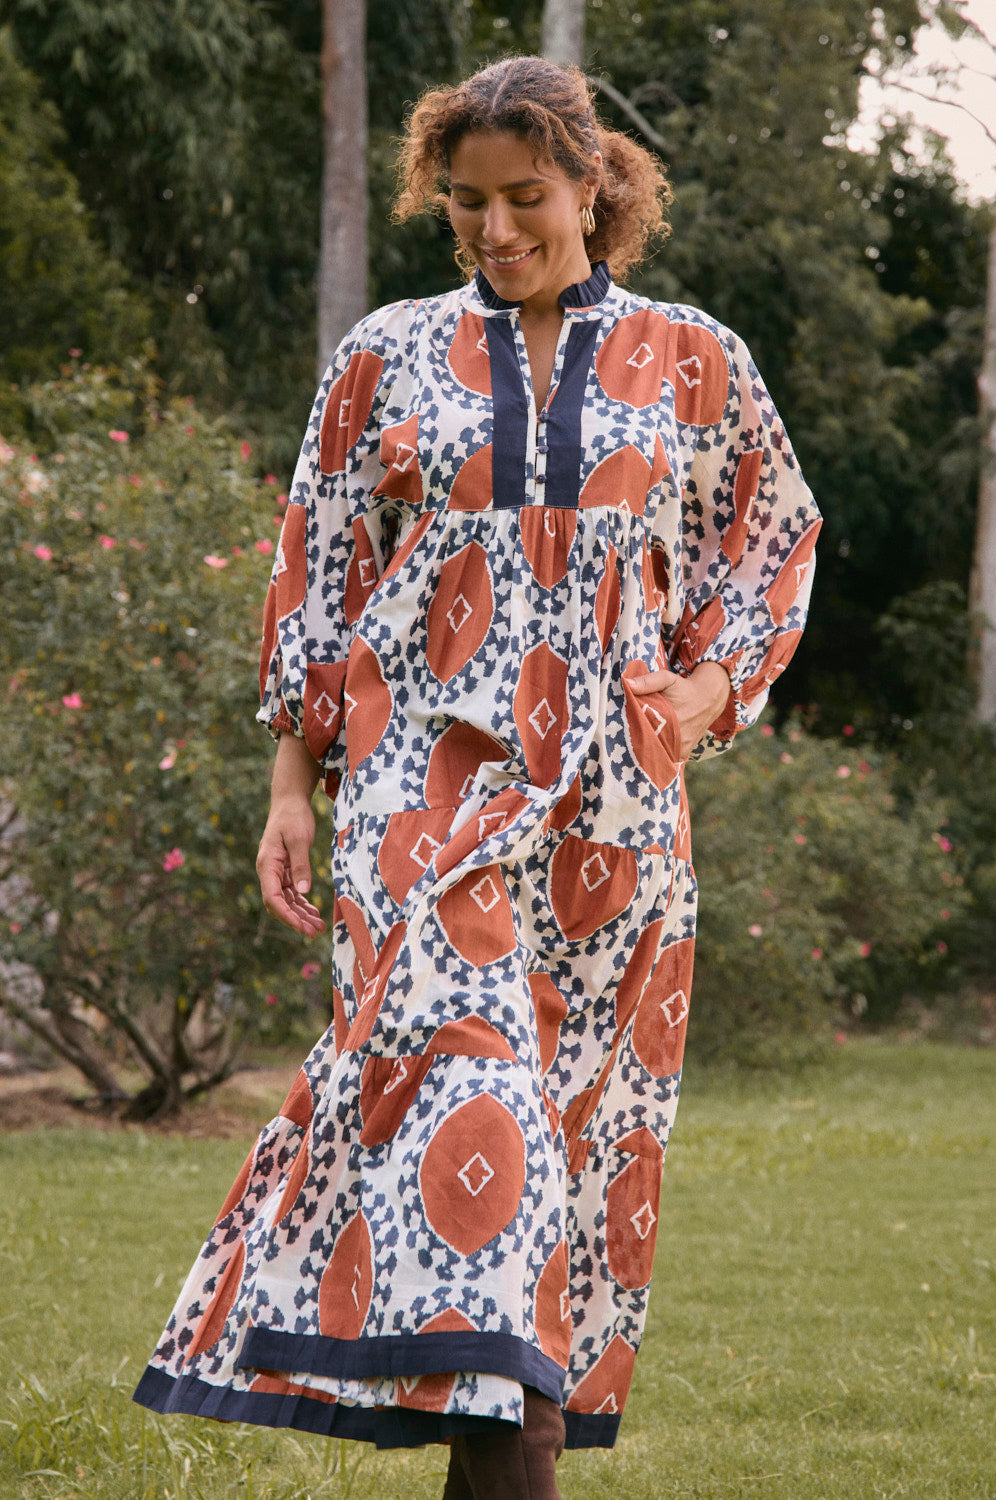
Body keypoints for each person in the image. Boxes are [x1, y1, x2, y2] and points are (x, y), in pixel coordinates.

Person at [133, 54, 820, 1499]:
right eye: (466, 206)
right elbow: (321, 571)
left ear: (593, 184)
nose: (497, 230)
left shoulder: (696, 362)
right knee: (476, 1109)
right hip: (417, 801)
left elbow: (774, 542)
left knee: (555, 1204)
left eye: (525, 197)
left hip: (619, 823)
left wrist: (703, 696)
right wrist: (289, 781)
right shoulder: (383, 356)